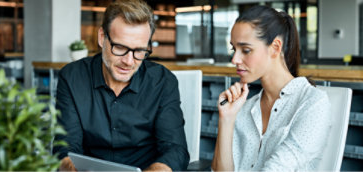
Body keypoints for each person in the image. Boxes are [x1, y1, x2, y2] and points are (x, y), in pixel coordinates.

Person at [52, 0, 189, 171]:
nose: (128, 62)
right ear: (102, 37)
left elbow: (175, 150)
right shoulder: (72, 77)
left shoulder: (162, 82)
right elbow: (65, 147)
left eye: (139, 50)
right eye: (120, 47)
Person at [211, 5, 331, 171]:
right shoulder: (244, 108)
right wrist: (226, 119)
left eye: (246, 50)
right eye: (234, 49)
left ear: (275, 47)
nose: (234, 59)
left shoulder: (313, 103)